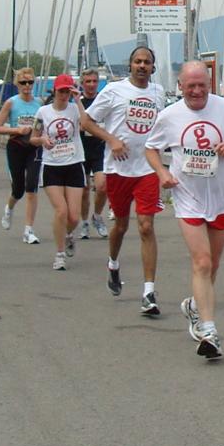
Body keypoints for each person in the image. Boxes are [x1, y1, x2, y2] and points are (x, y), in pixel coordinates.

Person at [145, 60, 224, 360]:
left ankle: (194, 306)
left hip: (221, 197)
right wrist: (161, 174)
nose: (196, 91)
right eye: (190, 86)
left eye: (201, 86)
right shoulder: (169, 116)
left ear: (210, 84)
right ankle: (209, 331)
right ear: (180, 86)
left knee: (213, 265)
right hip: (187, 196)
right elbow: (150, 149)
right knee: (202, 262)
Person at [82, 47, 166, 315]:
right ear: (130, 65)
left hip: (148, 169)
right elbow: (87, 121)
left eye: (147, 62)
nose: (142, 66)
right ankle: (113, 263)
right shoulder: (114, 91)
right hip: (118, 169)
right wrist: (112, 140)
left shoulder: (158, 93)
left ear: (153, 67)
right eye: (137, 61)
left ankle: (149, 292)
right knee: (120, 225)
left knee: (145, 226)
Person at [32, 74, 87, 270]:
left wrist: (78, 100)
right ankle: (60, 253)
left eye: (67, 91)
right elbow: (33, 137)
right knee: (61, 210)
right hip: (52, 166)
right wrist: (42, 141)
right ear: (54, 91)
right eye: (61, 91)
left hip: (73, 164)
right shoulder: (43, 112)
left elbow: (87, 125)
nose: (64, 95)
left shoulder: (74, 109)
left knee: (74, 216)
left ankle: (69, 234)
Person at [0, 67, 42, 243]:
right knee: (19, 189)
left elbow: (44, 125)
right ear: (17, 84)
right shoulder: (11, 103)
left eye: (30, 82)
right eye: (23, 82)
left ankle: (28, 230)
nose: (27, 86)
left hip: (34, 147)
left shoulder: (40, 103)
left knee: (32, 187)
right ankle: (9, 208)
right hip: (16, 146)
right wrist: (17, 129)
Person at [77, 68, 108, 240]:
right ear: (82, 84)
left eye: (94, 81)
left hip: (100, 150)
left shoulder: (103, 101)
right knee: (84, 190)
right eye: (88, 81)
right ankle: (84, 222)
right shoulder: (77, 102)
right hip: (81, 150)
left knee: (102, 186)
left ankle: (97, 215)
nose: (91, 85)